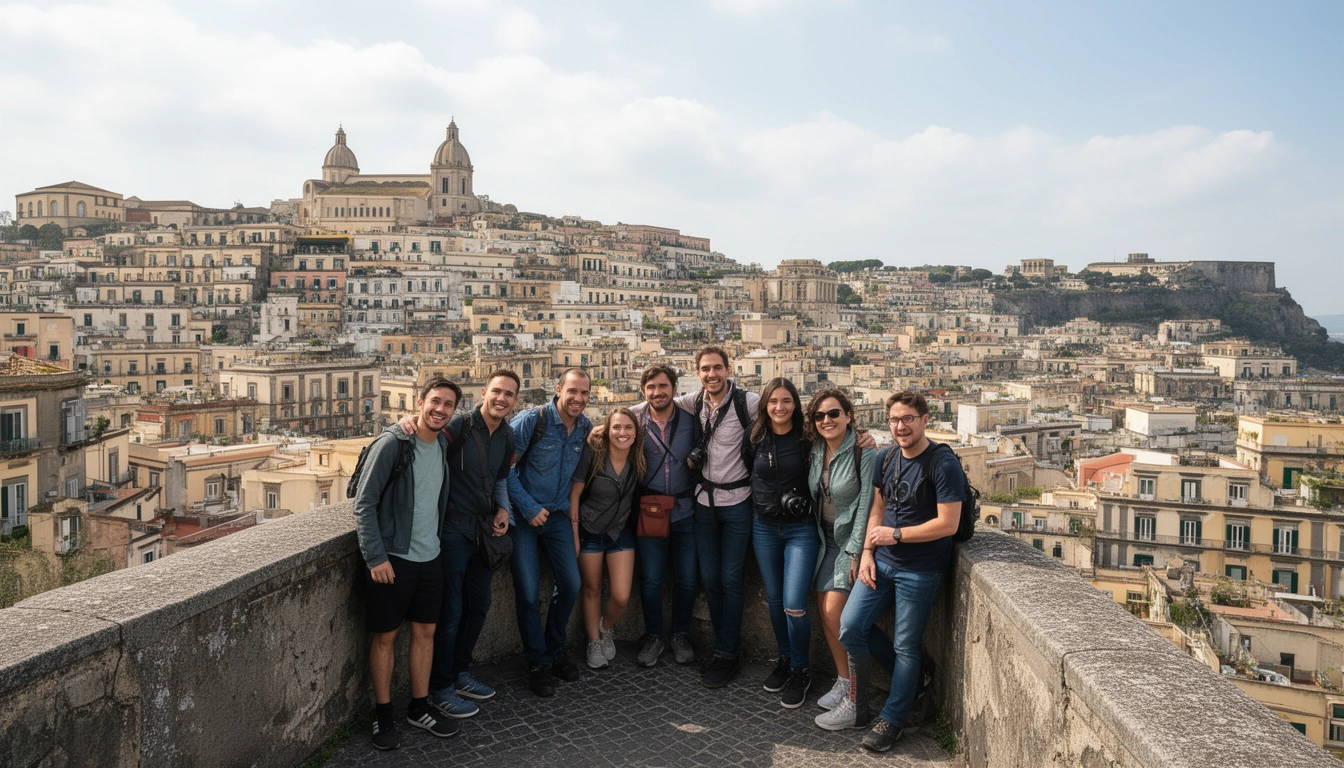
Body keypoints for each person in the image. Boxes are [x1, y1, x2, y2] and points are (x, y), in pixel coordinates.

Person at [824, 389, 966, 753]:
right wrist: (869, 550)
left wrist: (897, 535)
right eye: (894, 420)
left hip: (920, 569)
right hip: (882, 563)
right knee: (852, 626)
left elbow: (949, 524)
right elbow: (878, 506)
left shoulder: (942, 462)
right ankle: (914, 682)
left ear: (924, 421)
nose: (901, 426)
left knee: (906, 645)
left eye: (908, 419)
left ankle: (894, 717)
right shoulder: (886, 458)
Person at [399, 371, 518, 720]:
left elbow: (500, 481)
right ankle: (440, 687)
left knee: (479, 605)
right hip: (450, 532)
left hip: (481, 533)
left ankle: (460, 671)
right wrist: (405, 421)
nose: (502, 398)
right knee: (449, 613)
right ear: (484, 392)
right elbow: (424, 437)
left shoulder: (507, 436)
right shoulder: (459, 427)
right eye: (497, 391)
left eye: (509, 394)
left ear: (515, 401)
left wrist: (503, 510)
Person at [353, 377, 460, 749]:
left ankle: (419, 706)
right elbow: (363, 504)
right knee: (385, 637)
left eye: (448, 405)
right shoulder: (393, 443)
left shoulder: (444, 442)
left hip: (430, 557)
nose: (440, 409)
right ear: (420, 402)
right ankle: (383, 715)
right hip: (393, 559)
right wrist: (376, 556)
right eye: (435, 402)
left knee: (425, 633)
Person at [673, 346, 758, 688]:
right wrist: (605, 426)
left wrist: (859, 436)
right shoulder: (694, 402)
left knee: (731, 579)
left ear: (728, 369)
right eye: (705, 369)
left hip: (738, 502)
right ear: (698, 372)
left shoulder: (747, 402)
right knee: (710, 579)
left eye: (717, 368)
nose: (712, 374)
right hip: (704, 503)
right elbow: (653, 406)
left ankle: (726, 652)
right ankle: (725, 649)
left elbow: (791, 414)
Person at [804, 389, 892, 718]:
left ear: (848, 416)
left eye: (834, 414)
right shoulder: (814, 449)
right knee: (825, 612)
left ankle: (856, 694)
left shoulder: (863, 451)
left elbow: (867, 504)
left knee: (838, 616)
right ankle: (844, 680)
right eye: (819, 415)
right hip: (823, 539)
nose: (827, 420)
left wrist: (857, 549)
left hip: (849, 540)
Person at [508, 368, 593, 696]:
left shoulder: (584, 427)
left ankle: (555, 649)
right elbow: (506, 467)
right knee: (528, 593)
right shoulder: (533, 420)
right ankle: (537, 661)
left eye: (585, 393)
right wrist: (528, 508)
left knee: (571, 584)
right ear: (558, 389)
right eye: (573, 391)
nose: (579, 399)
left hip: (557, 517)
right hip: (525, 518)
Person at [748, 378, 820, 709]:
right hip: (763, 526)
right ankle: (786, 661)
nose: (780, 407)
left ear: (796, 403)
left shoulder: (808, 438)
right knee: (775, 601)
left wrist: (864, 438)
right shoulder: (755, 437)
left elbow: (841, 442)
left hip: (800, 528)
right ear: (765, 404)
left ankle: (802, 670)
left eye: (787, 400)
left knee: (794, 603)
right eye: (774, 401)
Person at [629, 364, 697, 668]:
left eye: (663, 386)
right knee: (652, 579)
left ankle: (680, 634)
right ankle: (654, 636)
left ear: (674, 388)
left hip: (686, 511)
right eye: (651, 387)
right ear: (644, 390)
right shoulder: (633, 419)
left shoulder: (691, 421)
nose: (657, 392)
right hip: (650, 511)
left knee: (687, 578)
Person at [570, 408, 646, 669]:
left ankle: (605, 627)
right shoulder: (594, 454)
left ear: (636, 433)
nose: (621, 433)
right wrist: (574, 534)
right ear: (607, 430)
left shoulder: (638, 458)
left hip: (620, 531)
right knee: (590, 589)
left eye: (628, 428)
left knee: (621, 596)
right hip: (589, 530)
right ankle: (593, 642)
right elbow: (575, 496)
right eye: (616, 427)